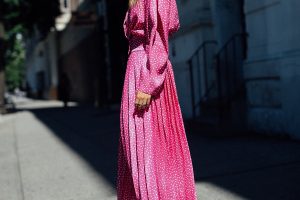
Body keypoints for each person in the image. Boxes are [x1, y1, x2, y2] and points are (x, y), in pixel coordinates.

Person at [117, 0, 197, 199]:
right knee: (135, 147)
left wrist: (148, 84)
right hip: (135, 70)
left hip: (148, 71)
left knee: (151, 148)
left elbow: (159, 40)